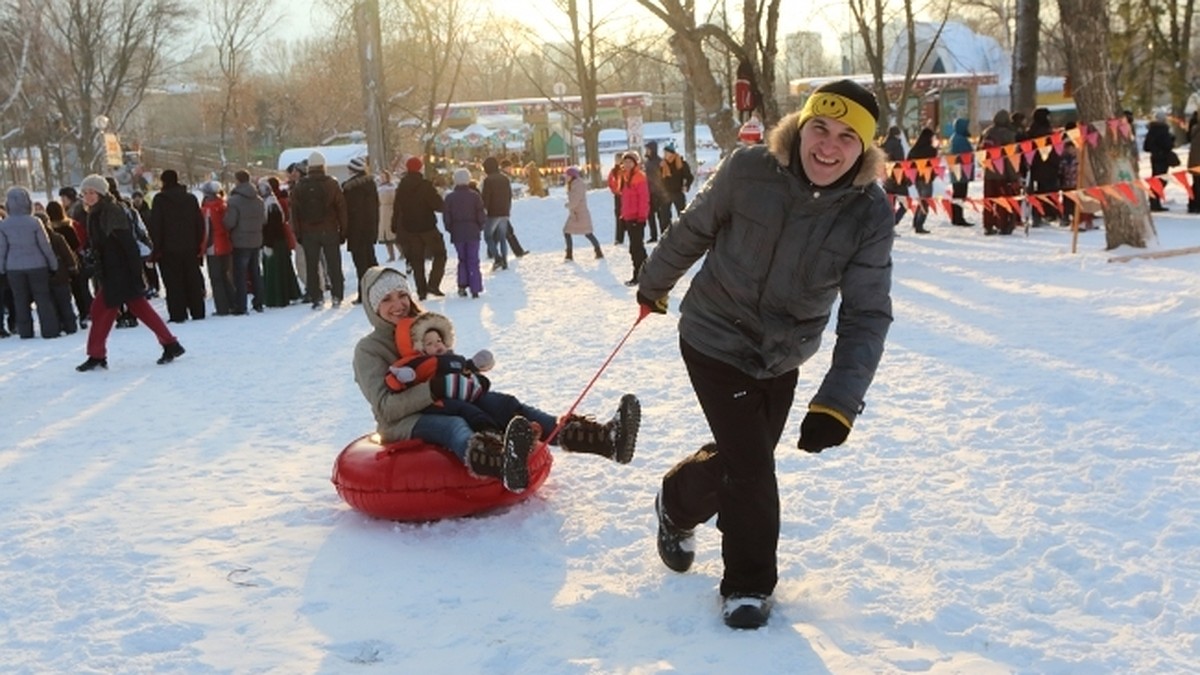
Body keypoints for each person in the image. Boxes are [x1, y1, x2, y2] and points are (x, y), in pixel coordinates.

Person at [635, 79, 894, 630]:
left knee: (741, 459)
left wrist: (839, 401)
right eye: (819, 128)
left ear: (865, 150)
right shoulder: (748, 169)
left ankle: (676, 502)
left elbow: (867, 313)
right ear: (799, 128)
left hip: (782, 353)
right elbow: (694, 228)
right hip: (713, 337)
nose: (828, 145)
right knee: (753, 467)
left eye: (847, 137)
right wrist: (654, 282)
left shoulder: (868, 213)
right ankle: (748, 585)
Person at [353, 266, 641, 493]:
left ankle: (604, 440)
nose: (399, 304)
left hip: (450, 400)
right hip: (406, 422)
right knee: (455, 425)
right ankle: (503, 465)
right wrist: (435, 389)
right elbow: (385, 407)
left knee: (505, 405)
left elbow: (444, 363)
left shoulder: (422, 328)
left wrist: (469, 376)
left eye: (402, 295)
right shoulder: (368, 350)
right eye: (387, 299)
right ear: (373, 307)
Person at [74, 174, 184, 371]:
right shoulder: (96, 212)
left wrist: (135, 273)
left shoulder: (111, 212)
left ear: (101, 193)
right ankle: (170, 344)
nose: (88, 196)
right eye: (85, 193)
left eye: (92, 192)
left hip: (120, 271)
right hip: (112, 271)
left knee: (102, 310)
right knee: (133, 309)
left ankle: (97, 355)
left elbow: (128, 245)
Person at [384, 311, 501, 433]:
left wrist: (475, 365)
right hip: (440, 401)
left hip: (463, 394)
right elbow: (393, 379)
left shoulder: (454, 358)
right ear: (420, 348)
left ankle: (513, 422)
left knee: (496, 403)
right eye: (429, 343)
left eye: (439, 340)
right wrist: (402, 377)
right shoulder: (423, 362)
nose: (436, 345)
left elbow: (466, 368)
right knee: (469, 411)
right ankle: (489, 435)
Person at [0, 187, 60, 338]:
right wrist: (53, 264)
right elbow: (45, 245)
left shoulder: (3, 225)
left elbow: (2, 250)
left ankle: (25, 331)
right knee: (42, 298)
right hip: (37, 265)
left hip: (13, 267)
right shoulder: (35, 222)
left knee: (19, 299)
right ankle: (49, 330)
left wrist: (2, 268)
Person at [147, 169, 206, 323]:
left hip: (168, 249)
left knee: (173, 283)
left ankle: (178, 313)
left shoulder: (160, 200)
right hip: (190, 247)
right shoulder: (191, 199)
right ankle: (197, 311)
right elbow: (199, 223)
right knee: (192, 280)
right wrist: (198, 243)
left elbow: (156, 226)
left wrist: (156, 249)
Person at [292, 151, 347, 308]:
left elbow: (294, 211)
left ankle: (317, 297)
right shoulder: (331, 183)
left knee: (312, 265)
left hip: (309, 232)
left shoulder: (300, 185)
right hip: (329, 229)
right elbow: (341, 208)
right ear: (324, 166)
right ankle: (337, 295)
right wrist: (343, 230)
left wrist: (298, 233)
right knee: (334, 264)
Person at [391, 156, 446, 300]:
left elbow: (397, 208)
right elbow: (438, 205)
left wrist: (394, 225)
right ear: (420, 168)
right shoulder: (425, 185)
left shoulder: (401, 187)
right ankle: (433, 284)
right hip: (428, 226)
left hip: (410, 228)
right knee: (440, 254)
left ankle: (421, 291)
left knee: (417, 260)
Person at [224, 169, 267, 314]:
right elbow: (264, 220)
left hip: (240, 241)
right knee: (255, 271)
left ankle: (241, 306)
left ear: (237, 180)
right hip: (256, 239)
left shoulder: (234, 201)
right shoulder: (259, 200)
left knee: (240, 275)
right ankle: (259, 302)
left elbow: (230, 222)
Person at [45, 200, 93, 329]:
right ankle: (84, 314)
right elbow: (77, 244)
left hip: (57, 265)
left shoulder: (48, 231)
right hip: (72, 261)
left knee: (62, 293)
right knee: (78, 289)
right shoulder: (68, 227)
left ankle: (64, 318)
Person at [260, 177, 303, 307]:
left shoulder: (270, 205)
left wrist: (268, 244)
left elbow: (273, 226)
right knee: (283, 269)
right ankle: (288, 294)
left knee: (276, 271)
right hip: (278, 241)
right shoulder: (271, 202)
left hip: (274, 242)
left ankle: (277, 298)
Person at [443, 168, 485, 298]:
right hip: (473, 231)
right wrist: (479, 226)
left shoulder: (450, 198)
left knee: (462, 259)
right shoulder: (475, 196)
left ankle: (462, 284)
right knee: (473, 259)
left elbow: (446, 217)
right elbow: (481, 214)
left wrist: (451, 229)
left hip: (457, 232)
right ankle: (475, 287)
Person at [343, 156, 380, 304]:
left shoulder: (349, 188)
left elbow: (347, 212)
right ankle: (378, 290)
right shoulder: (371, 185)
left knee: (360, 265)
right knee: (371, 261)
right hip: (369, 229)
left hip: (355, 231)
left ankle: (364, 294)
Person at [980, 110, 1020, 235]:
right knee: (1003, 200)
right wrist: (1014, 176)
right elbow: (1010, 157)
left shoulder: (986, 132)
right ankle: (1003, 225)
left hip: (989, 172)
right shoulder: (1008, 134)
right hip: (1003, 174)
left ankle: (988, 224)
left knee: (989, 200)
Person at [614, 151, 650, 286]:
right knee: (636, 247)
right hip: (628, 217)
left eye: (630, 162)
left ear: (635, 163)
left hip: (637, 218)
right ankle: (646, 272)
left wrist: (641, 216)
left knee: (636, 248)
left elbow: (644, 198)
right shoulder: (625, 177)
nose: (627, 164)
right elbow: (622, 196)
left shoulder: (639, 177)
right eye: (625, 161)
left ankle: (639, 274)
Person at [1026, 107, 1061, 226]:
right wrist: (1057, 162)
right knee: (1048, 191)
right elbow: (1052, 150)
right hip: (1047, 166)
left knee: (1038, 192)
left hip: (1035, 166)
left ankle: (1038, 214)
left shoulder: (1031, 131)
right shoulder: (1045, 131)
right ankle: (1048, 214)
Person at [562, 165, 603, 260]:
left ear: (572, 176)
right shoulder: (574, 185)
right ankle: (569, 253)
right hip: (576, 214)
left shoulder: (577, 185)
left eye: (567, 175)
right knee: (569, 232)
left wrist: (568, 205)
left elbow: (575, 201)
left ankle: (570, 254)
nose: (566, 177)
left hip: (580, 214)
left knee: (587, 233)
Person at [481, 156, 513, 271]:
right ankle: (504, 261)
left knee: (488, 236)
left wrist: (484, 209)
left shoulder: (488, 180)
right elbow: (509, 195)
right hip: (504, 211)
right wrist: (508, 209)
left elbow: (486, 197)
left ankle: (497, 257)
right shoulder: (505, 179)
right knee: (502, 237)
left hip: (493, 213)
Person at [1143, 111, 1177, 212]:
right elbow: (1168, 145)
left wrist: (1155, 150)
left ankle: (1154, 201)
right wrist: (1171, 140)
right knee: (1161, 180)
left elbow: (1146, 147)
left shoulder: (1151, 130)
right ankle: (1155, 202)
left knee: (1156, 179)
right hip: (1163, 158)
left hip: (1154, 158)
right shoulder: (1163, 130)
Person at [905, 128, 937, 234]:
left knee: (922, 200)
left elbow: (907, 164)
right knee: (926, 201)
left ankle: (916, 222)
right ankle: (919, 224)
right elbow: (935, 165)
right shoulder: (931, 150)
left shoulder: (914, 149)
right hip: (926, 178)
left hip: (916, 178)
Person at [946, 117, 976, 226]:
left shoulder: (955, 137)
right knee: (960, 194)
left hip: (958, 170)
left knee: (958, 194)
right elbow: (966, 154)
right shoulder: (960, 139)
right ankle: (958, 218)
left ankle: (957, 217)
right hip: (961, 171)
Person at [659, 142, 694, 232]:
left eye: (667, 153)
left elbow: (689, 176)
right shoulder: (663, 164)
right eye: (664, 153)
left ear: (672, 153)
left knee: (682, 214)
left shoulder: (681, 163)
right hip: (666, 193)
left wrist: (686, 185)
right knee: (664, 216)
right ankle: (666, 234)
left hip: (677, 191)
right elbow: (659, 178)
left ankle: (684, 232)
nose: (665, 155)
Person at [881, 126, 908, 224]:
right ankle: (893, 222)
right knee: (905, 203)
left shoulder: (883, 145)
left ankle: (888, 224)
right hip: (897, 176)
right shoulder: (897, 145)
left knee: (890, 202)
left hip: (886, 175)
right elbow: (900, 161)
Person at [643, 140, 666, 243]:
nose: (646, 151)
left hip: (659, 192)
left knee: (661, 215)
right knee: (650, 215)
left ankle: (663, 234)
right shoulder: (647, 162)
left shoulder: (659, 161)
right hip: (649, 192)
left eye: (648, 149)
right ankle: (653, 235)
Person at [377, 169, 399, 262]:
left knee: (393, 233)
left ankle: (402, 252)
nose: (382, 178)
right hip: (382, 212)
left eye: (384, 176)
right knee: (385, 235)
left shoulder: (392, 187)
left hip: (391, 210)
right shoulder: (378, 188)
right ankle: (391, 255)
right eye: (381, 177)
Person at [607, 153, 625, 245]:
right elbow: (610, 182)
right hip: (618, 196)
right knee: (618, 216)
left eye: (618, 159)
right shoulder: (613, 171)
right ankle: (619, 237)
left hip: (626, 196)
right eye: (616, 159)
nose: (617, 161)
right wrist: (615, 190)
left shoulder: (624, 170)